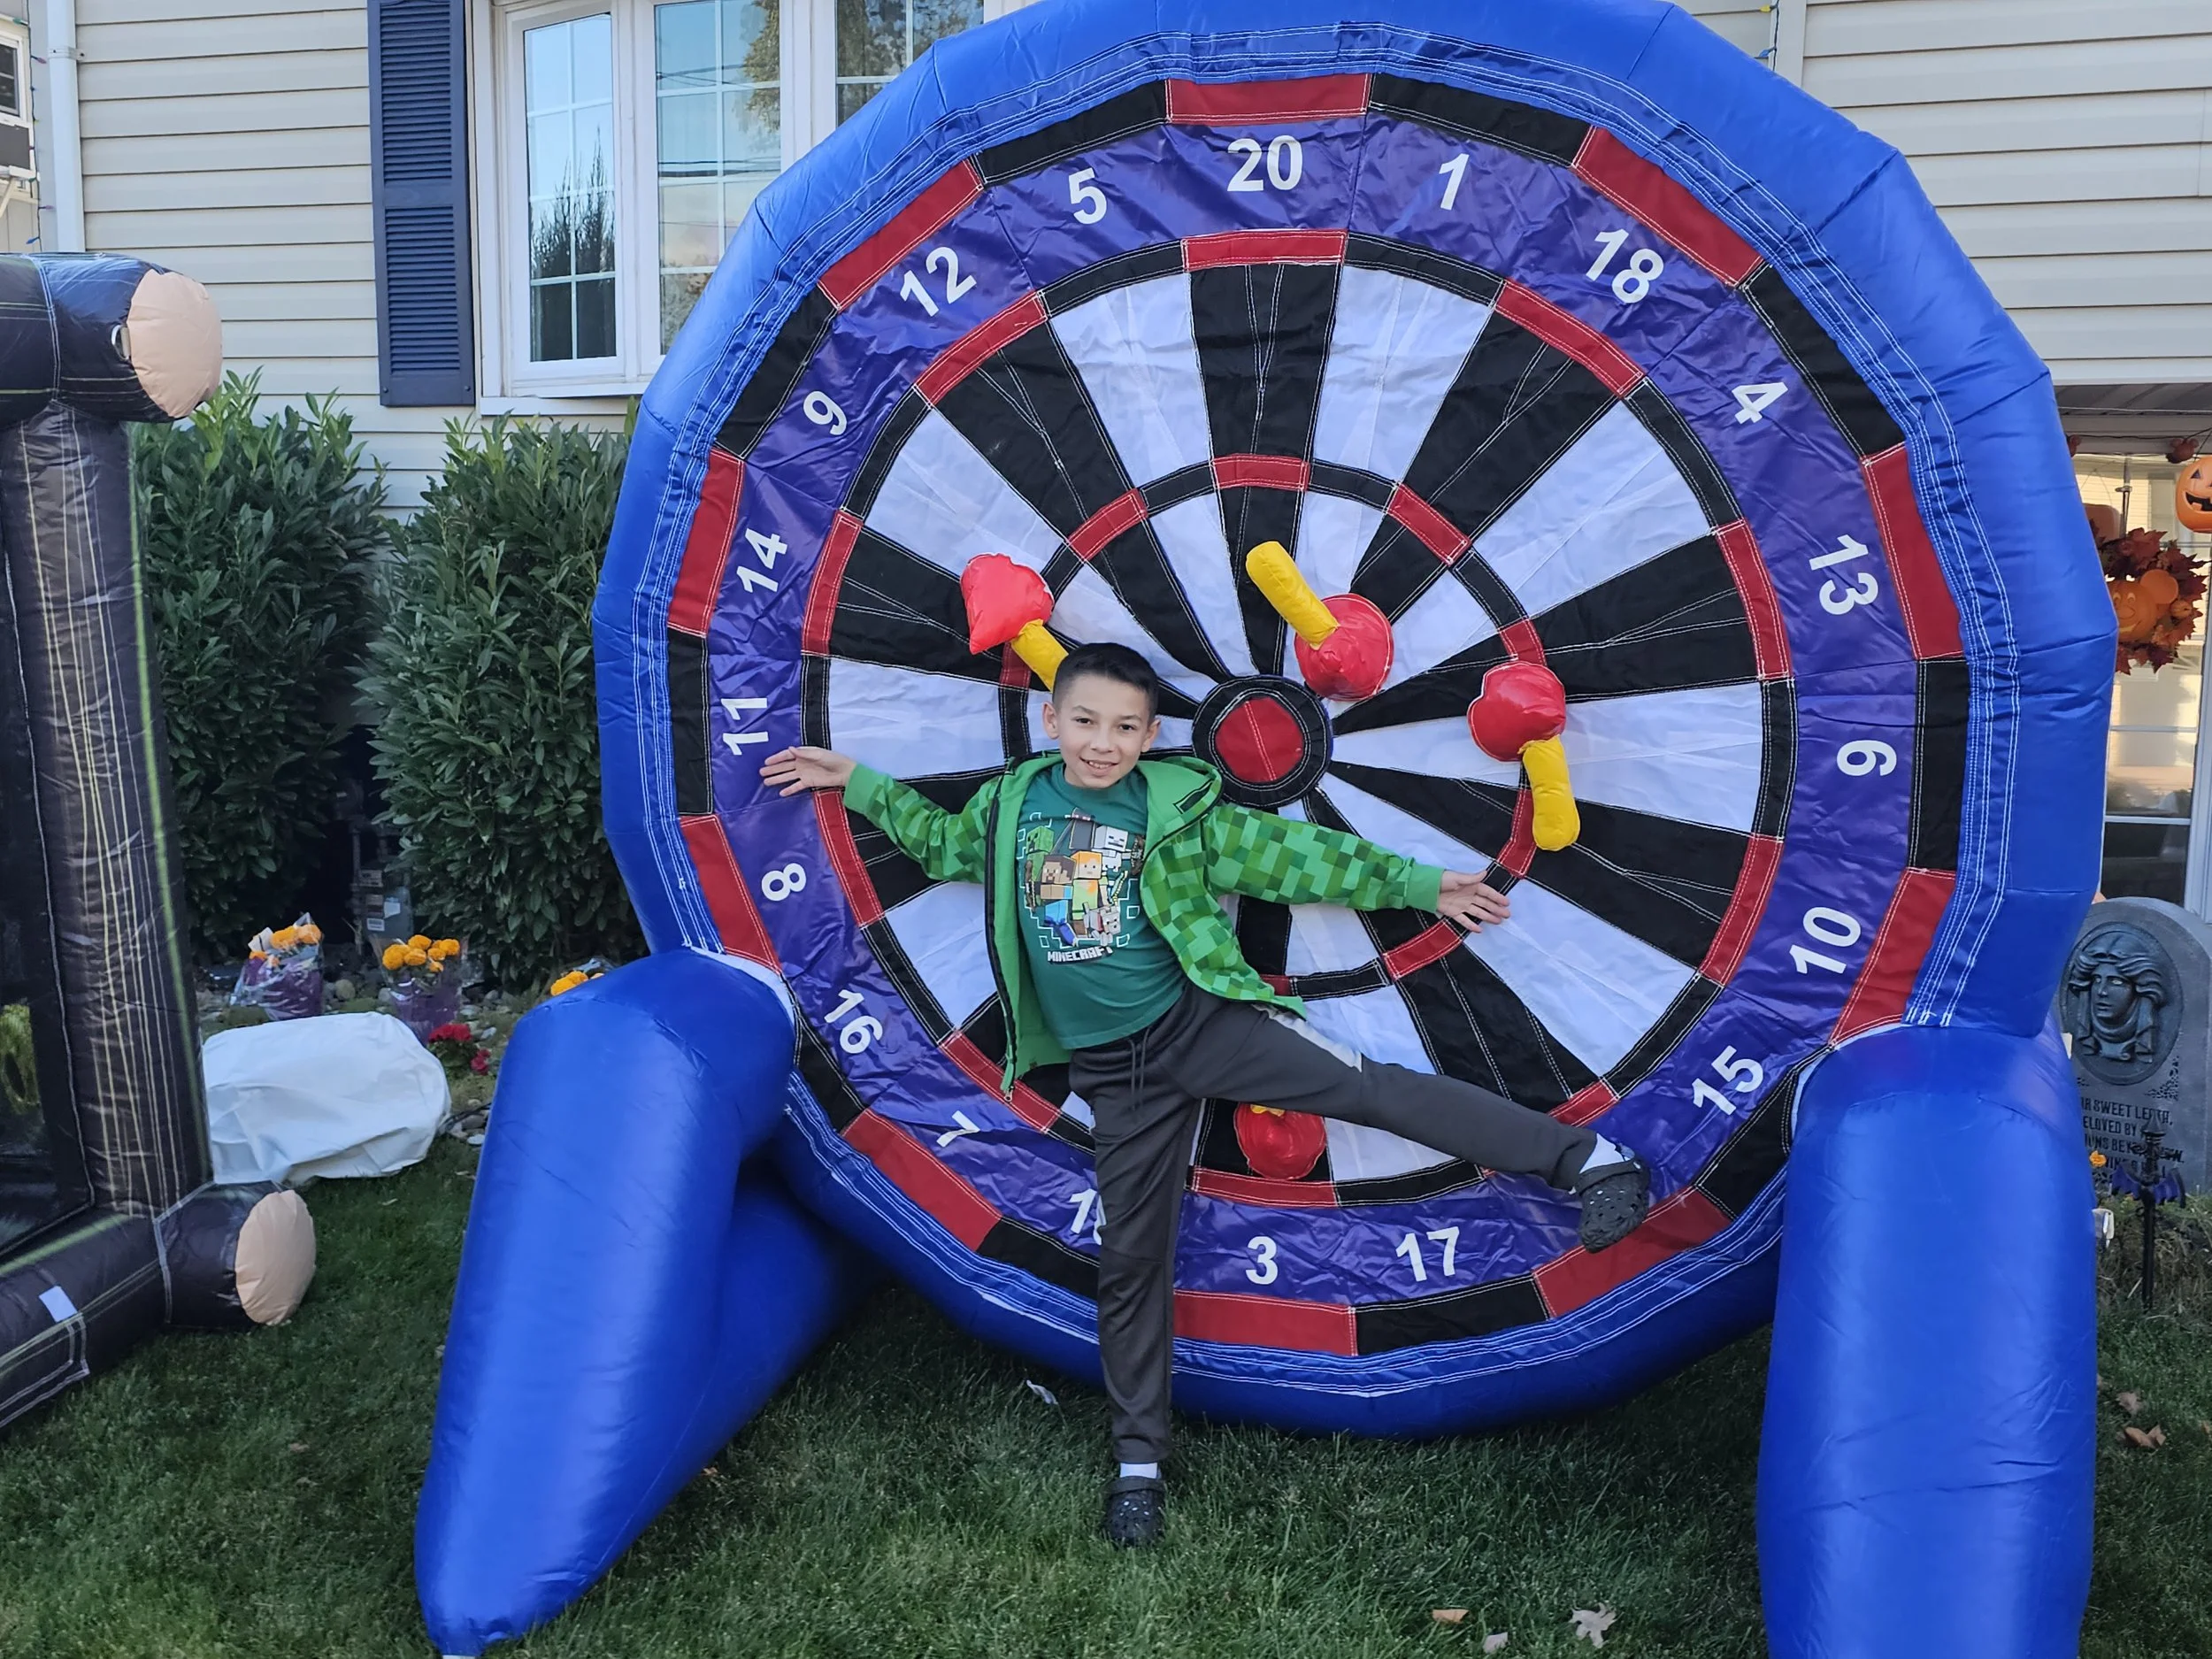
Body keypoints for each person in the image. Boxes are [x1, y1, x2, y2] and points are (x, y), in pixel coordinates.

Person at [760, 641, 1651, 1548]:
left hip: (1204, 1023)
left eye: (1123, 727)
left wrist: (1420, 884)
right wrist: (857, 781)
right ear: (1051, 721)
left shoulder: (1177, 810)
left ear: (1150, 735)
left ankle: (1589, 1158)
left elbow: (1289, 855)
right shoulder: (1012, 805)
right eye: (1085, 721)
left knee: (1375, 1092)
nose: (1102, 743)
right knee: (1131, 1258)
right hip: (1114, 1076)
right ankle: (1137, 1466)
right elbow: (942, 843)